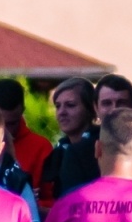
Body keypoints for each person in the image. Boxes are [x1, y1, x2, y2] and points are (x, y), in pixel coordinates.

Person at [55, 75, 132, 196]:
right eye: (107, 103)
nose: (114, 109)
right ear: (96, 107)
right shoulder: (76, 154)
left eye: (121, 102)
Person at [38, 76, 97, 213]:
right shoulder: (61, 148)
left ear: (91, 109)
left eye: (70, 105)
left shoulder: (98, 149)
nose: (62, 112)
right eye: (58, 106)